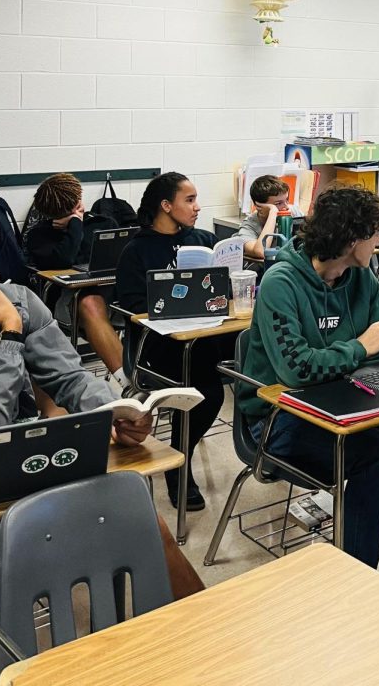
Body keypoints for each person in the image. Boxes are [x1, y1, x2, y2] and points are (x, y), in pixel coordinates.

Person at [0, 229, 202, 598]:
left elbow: (72, 378)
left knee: (140, 516)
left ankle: (207, 631)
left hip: (21, 460)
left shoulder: (17, 302)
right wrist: (10, 334)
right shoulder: (11, 317)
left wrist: (112, 412)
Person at [239, 186, 379, 573]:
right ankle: (354, 575)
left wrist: (347, 356)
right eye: (374, 234)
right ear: (351, 238)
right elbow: (295, 370)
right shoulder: (282, 282)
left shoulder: (360, 276)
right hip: (276, 419)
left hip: (342, 397)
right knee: (376, 452)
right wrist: (358, 349)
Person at [116, 172, 234, 512]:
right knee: (204, 393)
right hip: (158, 348)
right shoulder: (136, 251)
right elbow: (134, 305)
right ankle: (179, 467)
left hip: (203, 340)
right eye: (190, 200)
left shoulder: (205, 239)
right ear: (165, 206)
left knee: (228, 377)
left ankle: (190, 451)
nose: (197, 207)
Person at [23, 173, 128, 389]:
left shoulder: (102, 223)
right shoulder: (39, 236)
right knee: (90, 300)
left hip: (113, 297)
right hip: (69, 304)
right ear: (79, 201)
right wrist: (75, 225)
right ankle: (129, 382)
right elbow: (65, 259)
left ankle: (152, 377)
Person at [236, 174, 299, 261]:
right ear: (259, 206)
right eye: (278, 203)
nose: (286, 206)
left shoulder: (293, 211)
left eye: (286, 200)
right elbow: (261, 252)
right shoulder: (249, 225)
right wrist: (273, 212)